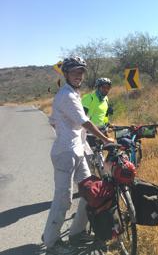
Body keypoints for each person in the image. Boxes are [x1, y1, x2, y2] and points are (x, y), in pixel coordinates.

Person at [43, 56, 114, 254]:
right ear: (66, 74)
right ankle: (51, 241)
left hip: (78, 150)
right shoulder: (66, 94)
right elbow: (85, 122)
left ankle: (76, 233)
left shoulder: (74, 93)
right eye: (74, 72)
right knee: (63, 198)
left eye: (81, 72)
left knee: (89, 192)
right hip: (65, 152)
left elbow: (55, 120)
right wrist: (105, 139)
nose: (78, 75)